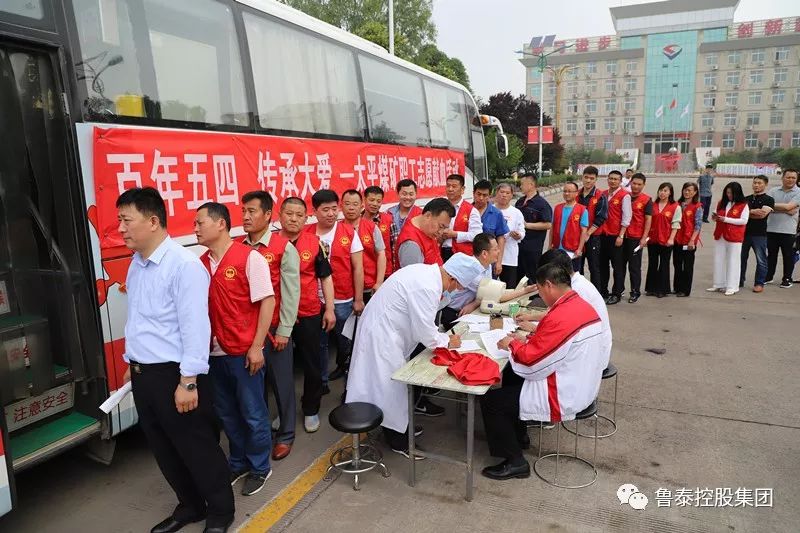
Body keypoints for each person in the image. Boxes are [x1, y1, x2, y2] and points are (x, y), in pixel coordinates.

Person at [116, 188, 234, 533]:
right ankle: (191, 506)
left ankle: (221, 511)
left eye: (127, 220)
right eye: (120, 220)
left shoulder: (184, 266)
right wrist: (132, 362)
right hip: (145, 375)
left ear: (153, 221)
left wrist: (188, 381)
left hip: (176, 376)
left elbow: (195, 327)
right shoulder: (136, 264)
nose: (121, 229)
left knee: (197, 447)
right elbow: (140, 320)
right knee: (164, 448)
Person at [346, 253, 485, 457]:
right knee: (391, 389)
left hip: (385, 330)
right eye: (459, 287)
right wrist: (448, 341)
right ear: (453, 278)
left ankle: (397, 428)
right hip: (381, 336)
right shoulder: (427, 287)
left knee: (384, 387)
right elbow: (426, 333)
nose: (456, 290)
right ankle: (399, 440)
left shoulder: (426, 274)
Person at [480, 259, 605, 480]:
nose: (541, 296)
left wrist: (512, 344)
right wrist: (528, 339)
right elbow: (552, 344)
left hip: (565, 391)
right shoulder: (577, 304)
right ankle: (519, 437)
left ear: (548, 285)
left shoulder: (561, 315)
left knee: (492, 401)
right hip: (581, 380)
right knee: (511, 375)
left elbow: (532, 363)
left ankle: (515, 461)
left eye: (539, 290)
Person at [195, 202, 276, 497]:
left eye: (200, 223)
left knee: (253, 413)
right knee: (227, 414)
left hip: (243, 352)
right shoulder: (200, 264)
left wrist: (257, 346)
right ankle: (238, 462)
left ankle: (260, 467)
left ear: (220, 224)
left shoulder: (249, 258)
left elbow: (267, 301)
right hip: (213, 355)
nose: (195, 229)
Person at [239, 191, 300, 461]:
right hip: (249, 332)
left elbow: (291, 292)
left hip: (275, 331)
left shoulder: (283, 248)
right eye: (243, 211)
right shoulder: (239, 247)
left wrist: (284, 330)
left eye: (252, 211)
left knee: (282, 384)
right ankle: (261, 434)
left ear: (267, 215)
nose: (246, 216)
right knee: (255, 387)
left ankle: (286, 434)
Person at [278, 197, 336, 429]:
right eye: (289, 214)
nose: (293, 219)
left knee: (312, 364)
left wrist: (329, 308)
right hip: (278, 316)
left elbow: (326, 278)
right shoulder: (270, 245)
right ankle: (284, 412)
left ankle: (311, 409)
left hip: (308, 312)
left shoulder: (314, 243)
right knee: (280, 369)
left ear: (306, 218)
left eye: (299, 215)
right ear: (279, 215)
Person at [515, 249, 612, 369]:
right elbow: (555, 313)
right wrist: (530, 317)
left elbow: (561, 330)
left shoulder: (576, 290)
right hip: (588, 348)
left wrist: (535, 330)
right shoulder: (575, 283)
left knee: (532, 363)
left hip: (591, 357)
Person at [306, 189, 365, 384]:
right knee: (319, 344)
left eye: (334, 209)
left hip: (343, 298)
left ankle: (350, 381)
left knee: (345, 341)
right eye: (325, 210)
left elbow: (358, 268)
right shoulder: (306, 234)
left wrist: (358, 299)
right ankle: (321, 382)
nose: (331, 214)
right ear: (314, 211)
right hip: (314, 300)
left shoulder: (348, 232)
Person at [440, 233, 537, 329]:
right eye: (495, 249)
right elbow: (498, 296)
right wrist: (525, 291)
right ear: (484, 254)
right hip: (456, 313)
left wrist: (475, 303)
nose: (499, 251)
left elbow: (488, 293)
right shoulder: (471, 270)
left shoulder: (487, 266)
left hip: (472, 309)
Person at [341, 189, 387, 299]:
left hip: (369, 286)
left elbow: (381, 254)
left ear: (361, 206)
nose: (351, 208)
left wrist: (379, 282)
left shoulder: (371, 227)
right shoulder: (337, 229)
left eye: (355, 204)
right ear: (341, 206)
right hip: (345, 289)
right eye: (347, 204)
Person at [707, 182, 749, 296]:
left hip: (734, 236)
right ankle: (719, 283)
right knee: (718, 259)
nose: (729, 195)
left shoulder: (743, 205)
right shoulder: (722, 202)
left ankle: (732, 286)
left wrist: (725, 219)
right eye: (727, 192)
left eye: (731, 193)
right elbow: (716, 213)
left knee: (733, 261)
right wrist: (715, 217)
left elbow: (744, 221)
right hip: (720, 234)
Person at [598, 170, 631, 304]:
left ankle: (617, 293)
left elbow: (627, 217)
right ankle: (603, 291)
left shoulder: (624, 196)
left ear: (620, 181)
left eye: (616, 179)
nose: (612, 181)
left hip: (615, 236)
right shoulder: (603, 194)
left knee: (617, 267)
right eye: (611, 178)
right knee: (602, 265)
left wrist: (621, 235)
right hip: (602, 235)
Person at [515, 173, 553, 285]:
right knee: (517, 276)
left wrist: (527, 225)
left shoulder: (542, 204)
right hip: (518, 245)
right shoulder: (520, 202)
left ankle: (534, 295)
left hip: (532, 247)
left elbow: (548, 224)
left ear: (531, 185)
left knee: (532, 277)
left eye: (522, 184)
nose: (520, 186)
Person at [645, 183, 681, 298]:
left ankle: (662, 289)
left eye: (665, 191)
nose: (662, 193)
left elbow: (676, 224)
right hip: (653, 239)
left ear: (670, 193)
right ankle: (651, 288)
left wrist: (671, 239)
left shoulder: (675, 206)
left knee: (664, 264)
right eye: (661, 190)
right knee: (652, 263)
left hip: (666, 240)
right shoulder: (652, 205)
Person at [396, 197, 455, 268]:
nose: (441, 232)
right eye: (441, 226)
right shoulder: (411, 245)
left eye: (445, 228)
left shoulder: (427, 230)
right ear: (428, 215)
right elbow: (414, 274)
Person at [766, 169, 800, 288]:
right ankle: (768, 276)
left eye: (793, 178)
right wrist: (786, 209)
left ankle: (787, 278)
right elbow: (765, 205)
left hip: (788, 230)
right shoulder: (773, 191)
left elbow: (789, 206)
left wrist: (773, 208)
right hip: (771, 228)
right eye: (788, 177)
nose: (791, 180)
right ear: (782, 178)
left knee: (788, 256)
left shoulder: (798, 192)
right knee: (771, 255)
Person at [576, 166, 608, 291]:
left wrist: (588, 233)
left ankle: (596, 294)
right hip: (577, 236)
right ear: (582, 177)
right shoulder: (576, 194)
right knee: (578, 267)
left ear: (596, 179)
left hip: (593, 237)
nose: (588, 180)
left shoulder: (600, 196)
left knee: (594, 267)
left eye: (591, 178)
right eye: (586, 177)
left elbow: (601, 217)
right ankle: (580, 293)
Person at [740, 175, 774, 293]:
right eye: (755, 183)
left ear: (765, 184)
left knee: (761, 260)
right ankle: (739, 280)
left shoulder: (769, 199)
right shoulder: (745, 199)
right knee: (741, 258)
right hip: (744, 233)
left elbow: (762, 215)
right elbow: (739, 214)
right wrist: (753, 211)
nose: (756, 185)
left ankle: (759, 283)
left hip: (759, 235)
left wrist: (747, 213)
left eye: (759, 183)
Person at [623, 173, 652, 303]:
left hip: (636, 237)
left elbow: (648, 220)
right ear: (630, 183)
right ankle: (619, 290)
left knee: (634, 267)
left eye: (639, 184)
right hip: (622, 236)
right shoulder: (625, 196)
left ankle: (635, 291)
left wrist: (644, 238)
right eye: (634, 183)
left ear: (643, 185)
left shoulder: (646, 200)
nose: (636, 186)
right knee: (620, 266)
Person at [441, 174, 482, 260]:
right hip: (442, 251)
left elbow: (477, 235)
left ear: (462, 189)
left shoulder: (471, 210)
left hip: (462, 254)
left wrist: (455, 234)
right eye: (448, 186)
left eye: (454, 186)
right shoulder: (440, 206)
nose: (450, 189)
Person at [550, 181, 589, 273]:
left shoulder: (582, 210)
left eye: (569, 191)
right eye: (565, 191)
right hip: (557, 248)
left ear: (576, 193)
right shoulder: (557, 208)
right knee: (557, 275)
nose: (566, 193)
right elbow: (552, 228)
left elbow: (584, 231)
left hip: (572, 250)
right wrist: (550, 244)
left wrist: (579, 249)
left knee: (572, 275)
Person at [473, 179, 509, 276]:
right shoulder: (466, 211)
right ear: (473, 193)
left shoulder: (496, 213)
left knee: (488, 285)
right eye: (478, 194)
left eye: (485, 195)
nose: (481, 198)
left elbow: (501, 238)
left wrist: (499, 262)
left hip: (489, 262)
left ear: (489, 196)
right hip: (470, 260)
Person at [672, 183, 703, 297]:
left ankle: (685, 290)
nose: (687, 192)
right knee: (677, 264)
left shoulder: (697, 206)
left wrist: (692, 240)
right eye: (685, 190)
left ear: (695, 192)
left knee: (687, 266)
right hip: (677, 239)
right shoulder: (677, 204)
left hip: (689, 240)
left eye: (690, 190)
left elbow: (698, 225)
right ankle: (677, 288)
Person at [494, 182, 526, 287]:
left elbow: (522, 232)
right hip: (491, 257)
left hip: (509, 257)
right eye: (502, 192)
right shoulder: (490, 210)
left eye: (507, 193)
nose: (504, 195)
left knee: (509, 288)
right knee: (490, 288)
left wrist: (518, 235)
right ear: (496, 193)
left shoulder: (516, 213)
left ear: (512, 195)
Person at [364, 185, 396, 278]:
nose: (375, 204)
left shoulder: (389, 220)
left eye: (378, 201)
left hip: (386, 272)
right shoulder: (357, 221)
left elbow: (395, 248)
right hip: (364, 273)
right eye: (371, 200)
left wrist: (394, 272)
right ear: (364, 199)